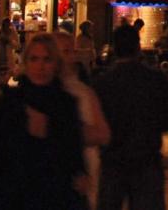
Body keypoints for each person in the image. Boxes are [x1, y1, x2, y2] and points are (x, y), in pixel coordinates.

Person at [0, 33, 86, 210]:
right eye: (34, 59)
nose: (40, 66)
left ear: (55, 64)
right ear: (26, 62)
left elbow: (72, 158)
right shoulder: (9, 102)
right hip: (12, 196)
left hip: (52, 196)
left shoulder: (65, 105)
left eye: (47, 59)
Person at [93, 24, 168, 210]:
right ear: (138, 46)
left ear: (115, 49)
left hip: (113, 160)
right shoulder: (155, 79)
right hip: (146, 157)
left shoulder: (103, 83)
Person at [54, 32, 111, 210]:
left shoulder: (83, 92)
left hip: (81, 169)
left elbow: (102, 134)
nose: (64, 57)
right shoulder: (36, 92)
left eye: (68, 51)